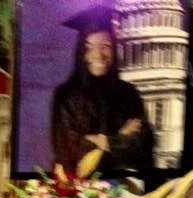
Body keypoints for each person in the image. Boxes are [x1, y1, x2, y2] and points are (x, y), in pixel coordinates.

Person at [52, 4, 154, 176]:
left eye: (105, 45)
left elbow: (143, 145)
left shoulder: (129, 93)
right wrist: (120, 137)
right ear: (81, 53)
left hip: (124, 187)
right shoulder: (65, 95)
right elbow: (69, 153)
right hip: (77, 191)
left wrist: (100, 142)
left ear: (114, 50)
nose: (98, 55)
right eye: (90, 46)